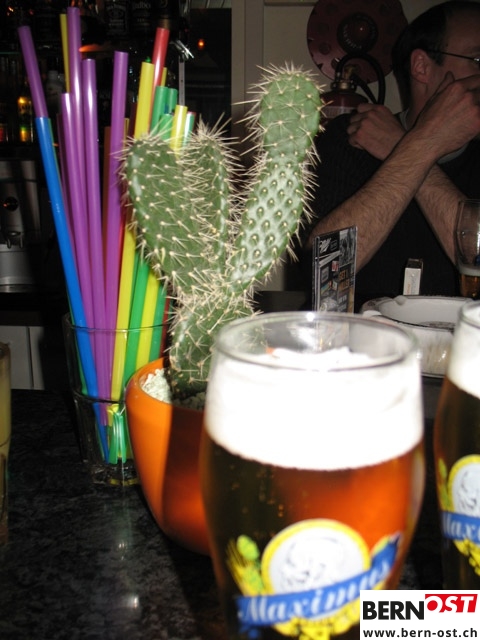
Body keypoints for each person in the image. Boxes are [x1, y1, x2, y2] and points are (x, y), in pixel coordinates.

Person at [300, 1, 480, 309]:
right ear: (421, 66)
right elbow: (325, 272)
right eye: (477, 59)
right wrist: (419, 147)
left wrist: (409, 146)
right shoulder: (351, 136)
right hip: (358, 336)